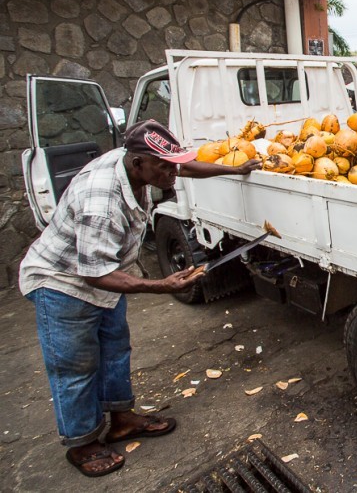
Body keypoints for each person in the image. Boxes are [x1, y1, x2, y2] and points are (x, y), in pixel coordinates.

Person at [18, 120, 261, 477]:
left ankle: (122, 419)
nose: (173, 173)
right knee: (75, 366)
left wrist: (234, 169)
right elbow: (94, 273)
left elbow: (183, 166)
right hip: (64, 282)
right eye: (165, 167)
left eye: (172, 164)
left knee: (116, 347)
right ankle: (82, 442)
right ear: (138, 165)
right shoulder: (99, 202)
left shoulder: (139, 161)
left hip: (104, 274)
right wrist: (161, 286)